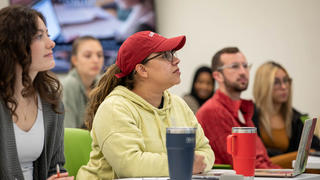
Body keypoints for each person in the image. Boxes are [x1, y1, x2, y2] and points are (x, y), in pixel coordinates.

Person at [76, 31, 214, 179]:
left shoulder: (178, 105)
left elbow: (206, 151)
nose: (176, 60)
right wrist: (184, 163)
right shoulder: (115, 108)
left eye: (173, 53)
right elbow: (131, 166)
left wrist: (190, 163)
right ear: (141, 69)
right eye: (165, 56)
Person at [0, 5, 73, 180]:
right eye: (39, 36)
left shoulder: (51, 101)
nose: (51, 43)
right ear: (14, 44)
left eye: (47, 34)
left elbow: (56, 167)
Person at [196, 47, 279, 168]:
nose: (243, 71)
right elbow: (246, 165)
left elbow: (262, 160)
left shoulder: (242, 109)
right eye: (235, 66)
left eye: (245, 66)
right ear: (218, 76)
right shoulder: (212, 111)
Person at [252, 61, 320, 168]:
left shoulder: (297, 118)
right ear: (263, 86)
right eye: (276, 82)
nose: (284, 87)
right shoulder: (249, 115)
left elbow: (316, 149)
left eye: (286, 81)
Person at [62, 36, 104, 128]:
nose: (96, 60)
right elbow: (68, 133)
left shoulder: (102, 85)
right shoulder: (69, 85)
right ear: (75, 60)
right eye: (88, 56)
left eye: (99, 55)